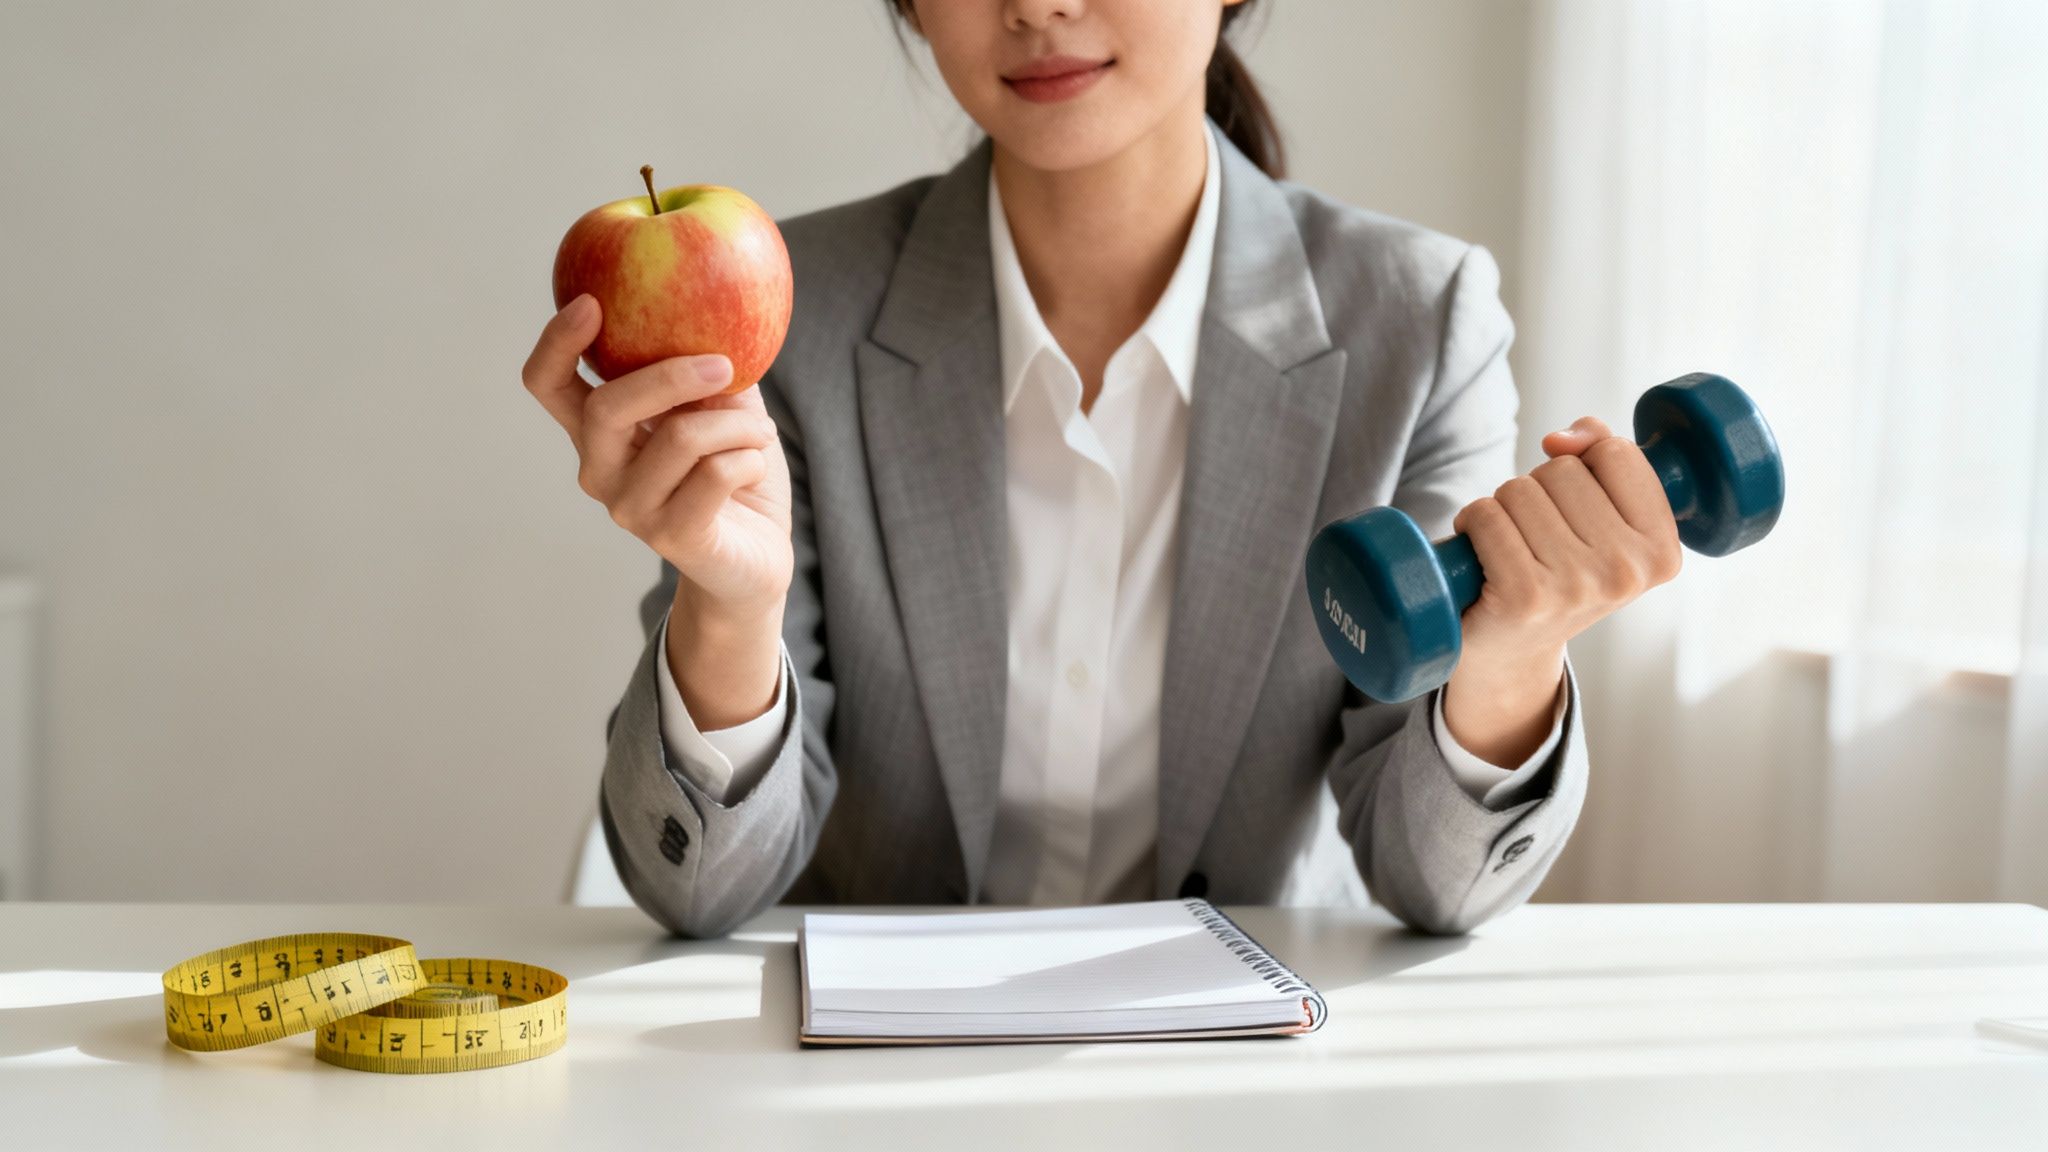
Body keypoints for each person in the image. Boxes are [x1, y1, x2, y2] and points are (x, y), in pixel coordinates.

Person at [520, 0, 1681, 938]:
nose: (1036, 7)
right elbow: (697, 892)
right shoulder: (793, 318)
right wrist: (731, 605)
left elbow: (1436, 890)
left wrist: (1513, 655)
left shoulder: (1417, 321)